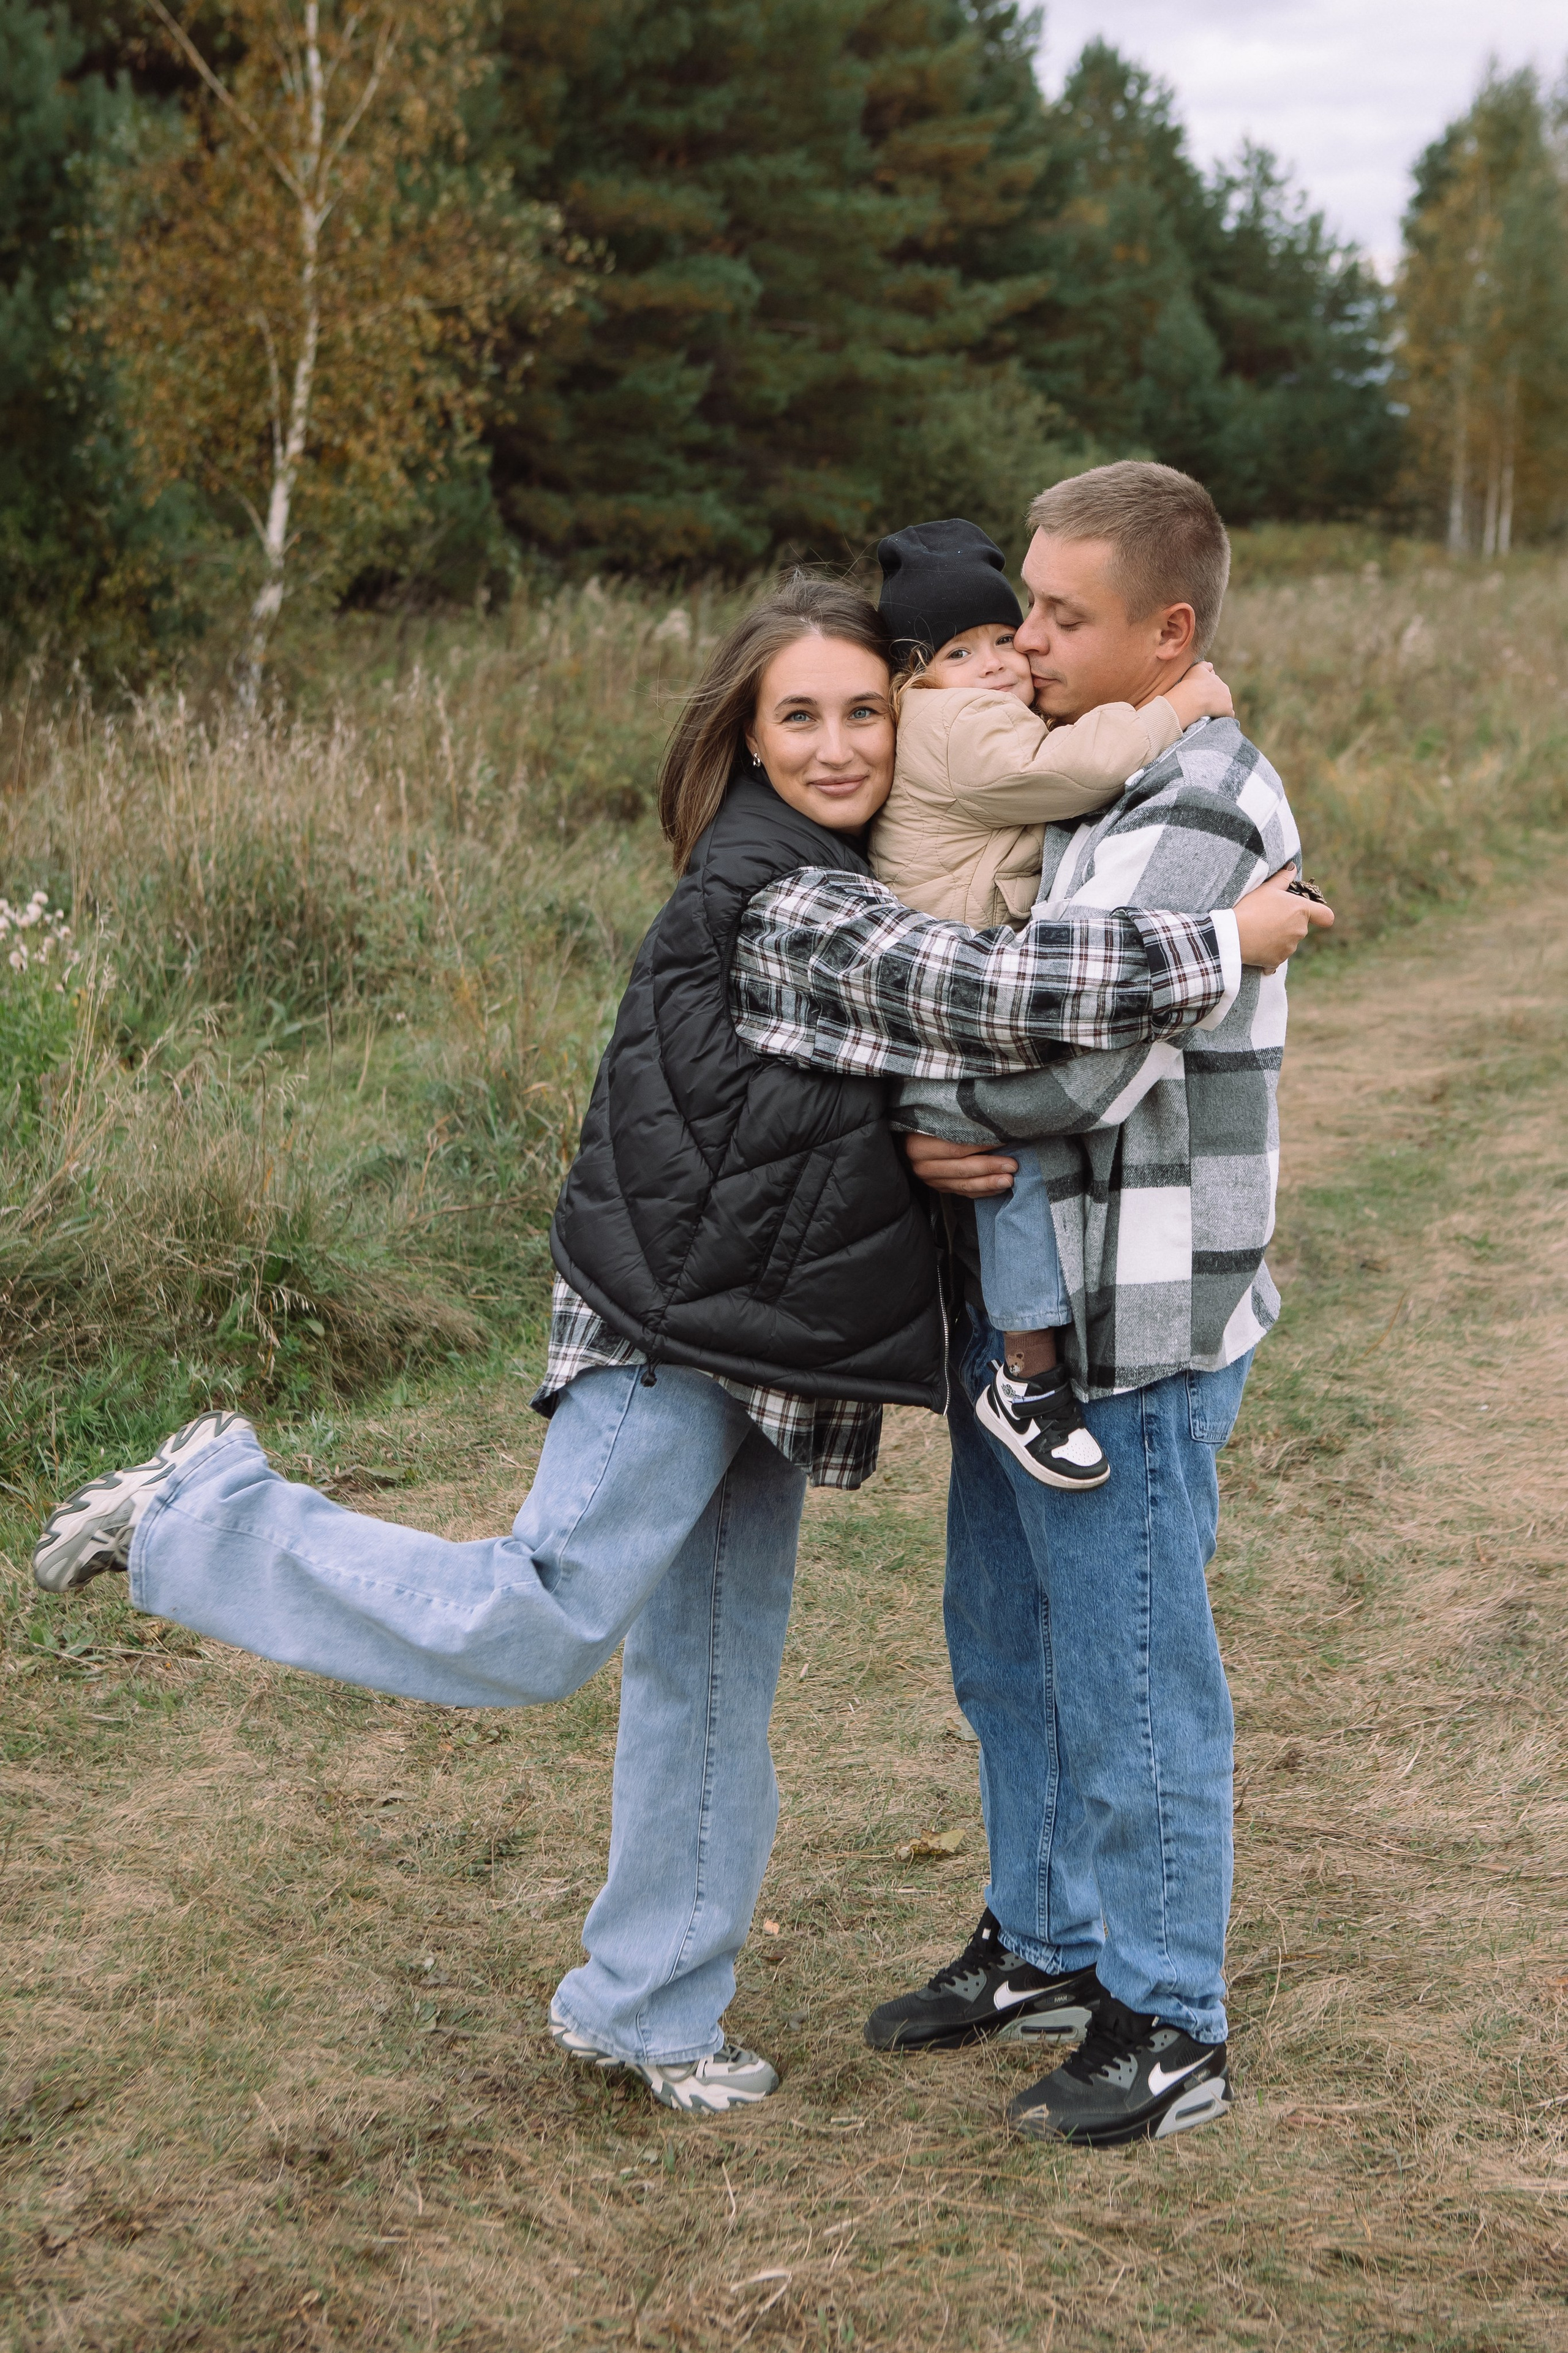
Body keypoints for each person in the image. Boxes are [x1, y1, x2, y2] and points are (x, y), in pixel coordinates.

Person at [31, 575, 1327, 2123]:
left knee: (707, 1678)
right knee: (541, 1612)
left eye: (865, 712)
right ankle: (201, 1514)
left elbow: (903, 1056)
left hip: (756, 1342)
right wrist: (1225, 938)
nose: (841, 746)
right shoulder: (782, 896)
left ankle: (648, 2005)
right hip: (668, 1327)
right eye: (802, 716)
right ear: (745, 733)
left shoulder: (859, 867)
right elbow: (991, 996)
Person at [864, 461, 1324, 2151]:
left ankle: (1171, 2019)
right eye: (1026, 606)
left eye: (1062, 616)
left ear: (1169, 631)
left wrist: (925, 1122)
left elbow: (1069, 1057)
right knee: (1006, 1641)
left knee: (1132, 1677)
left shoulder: (1200, 809)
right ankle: (1047, 1941)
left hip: (1129, 1328)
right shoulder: (1090, 797)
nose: (1026, 641)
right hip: (1031, 1306)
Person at [869, 516, 1235, 1492]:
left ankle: (1008, 1353)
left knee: (996, 1167)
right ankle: (1026, 1373)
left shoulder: (964, 711)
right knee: (1013, 1153)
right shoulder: (952, 725)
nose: (1001, 660)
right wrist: (1179, 707)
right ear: (913, 675)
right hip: (957, 996)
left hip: (959, 977)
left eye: (1006, 637)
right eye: (962, 651)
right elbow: (1060, 775)